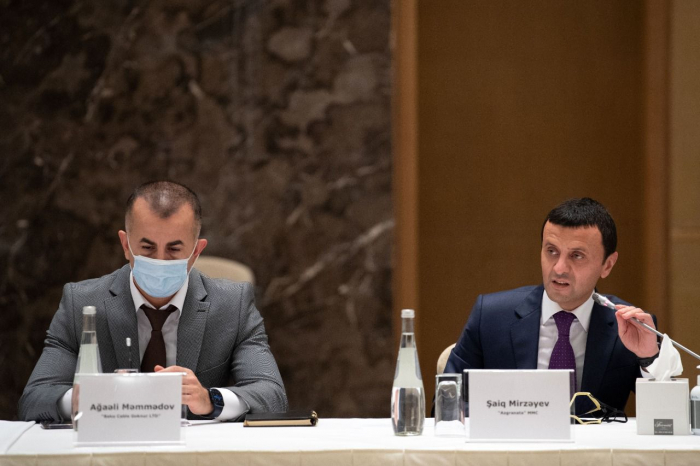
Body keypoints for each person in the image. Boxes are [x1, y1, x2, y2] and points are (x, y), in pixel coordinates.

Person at [19, 181, 287, 422]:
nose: (160, 260)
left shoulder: (233, 305)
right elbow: (34, 398)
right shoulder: (82, 303)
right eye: (147, 248)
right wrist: (82, 398)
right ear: (126, 245)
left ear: (196, 251)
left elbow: (272, 395)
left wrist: (209, 399)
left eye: (174, 249)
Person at [445, 197, 659, 412]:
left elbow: (663, 417)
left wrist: (649, 359)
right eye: (551, 251)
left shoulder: (630, 327)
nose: (559, 268)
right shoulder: (491, 316)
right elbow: (447, 405)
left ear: (607, 265)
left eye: (577, 255)